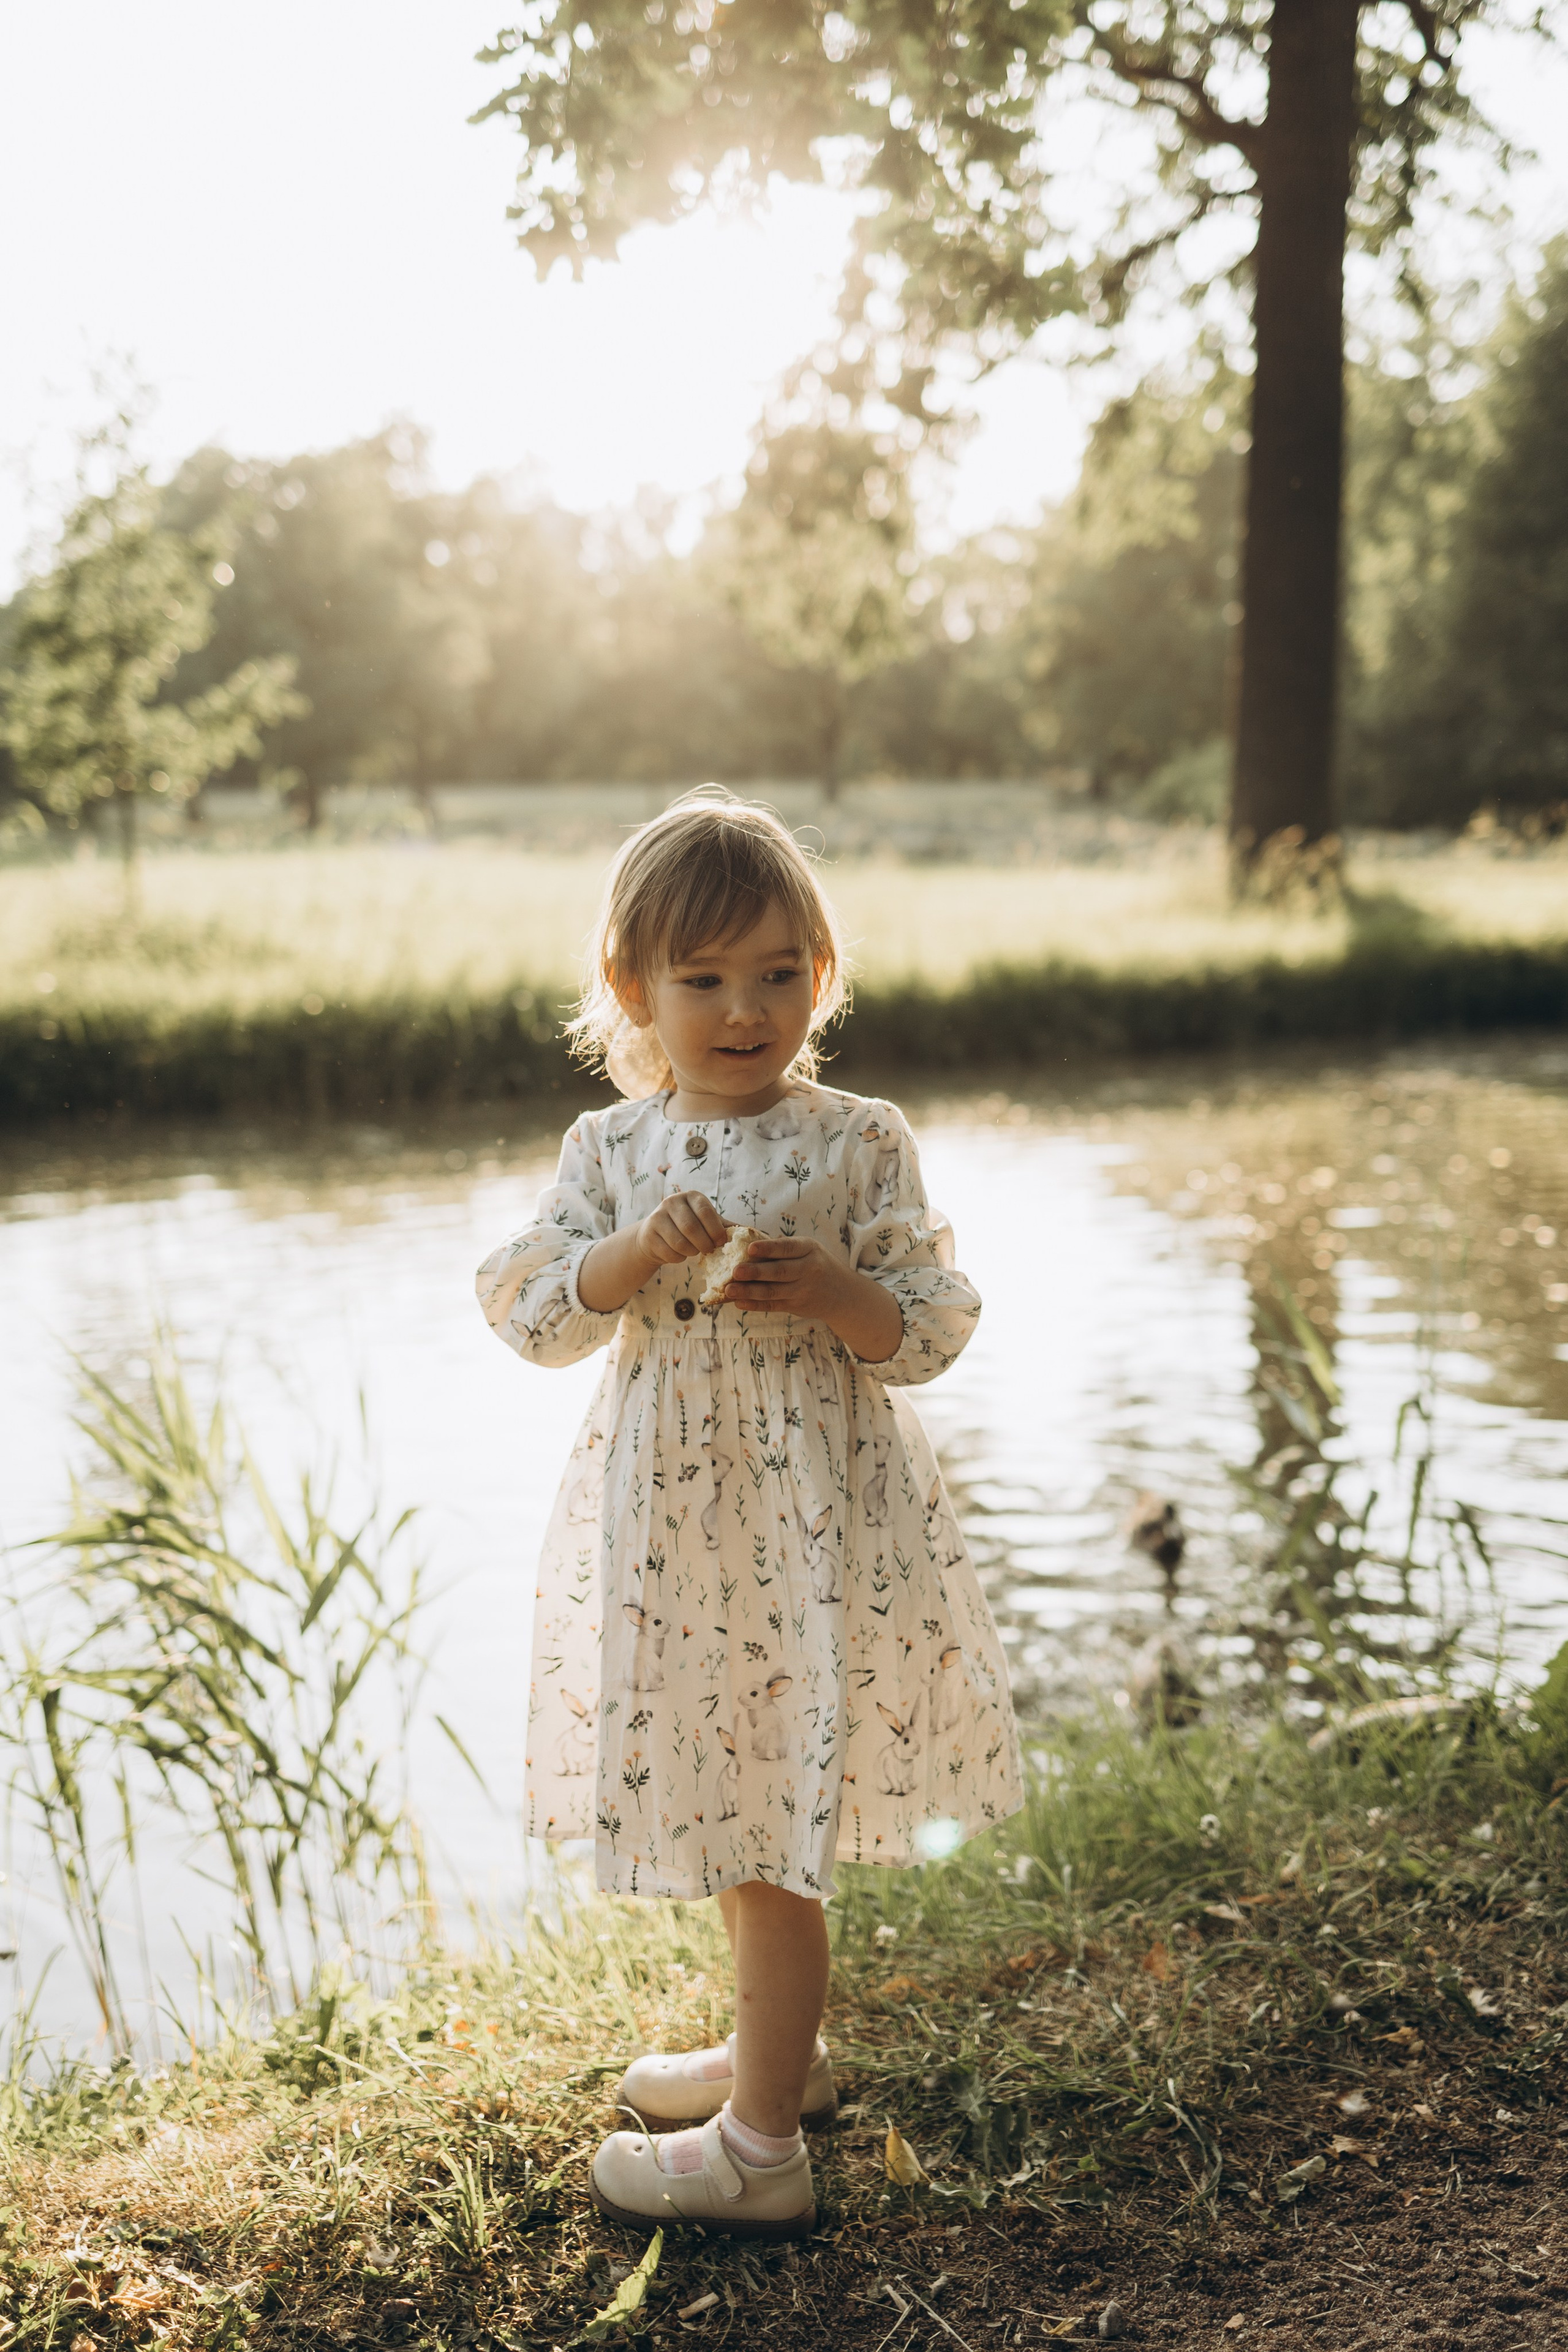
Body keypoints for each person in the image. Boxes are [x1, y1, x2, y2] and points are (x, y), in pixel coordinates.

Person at [476, 790, 1021, 2238]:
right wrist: (624, 1257)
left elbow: (932, 1315)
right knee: (734, 1793)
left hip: (810, 1532)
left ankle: (758, 2146)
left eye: (779, 973)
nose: (743, 1008)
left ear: (820, 978)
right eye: (705, 979)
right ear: (633, 990)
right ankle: (783, 2051)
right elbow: (529, 1309)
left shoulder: (857, 1141)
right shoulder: (612, 1151)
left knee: (778, 1819)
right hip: (678, 1532)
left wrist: (837, 1294)